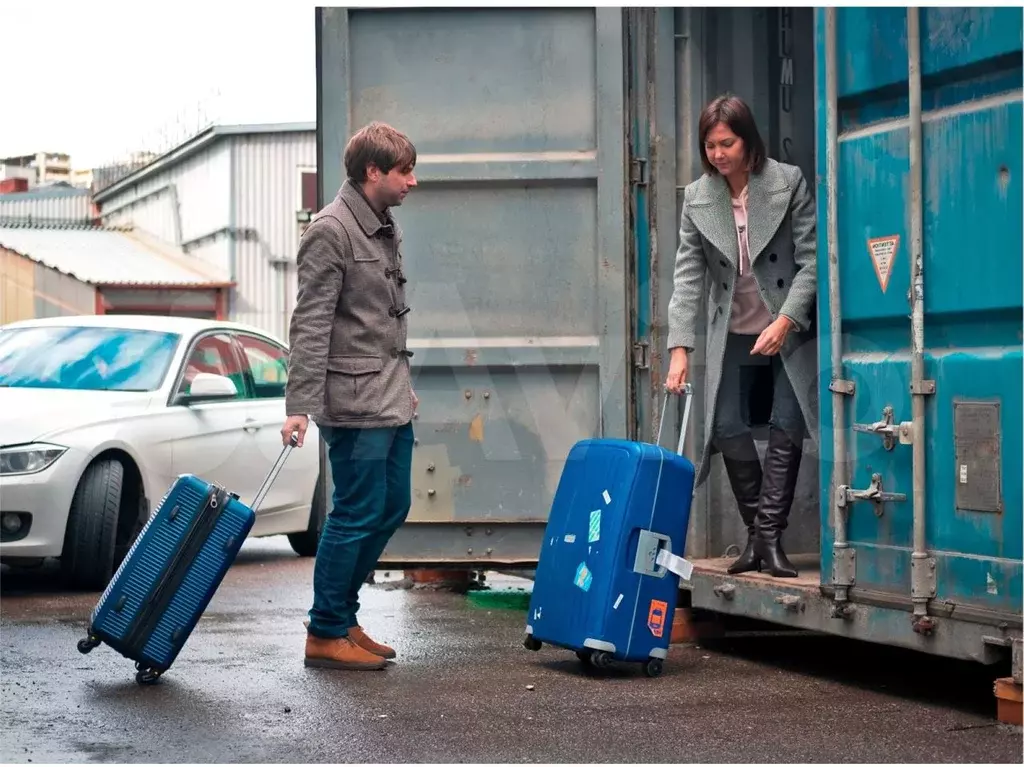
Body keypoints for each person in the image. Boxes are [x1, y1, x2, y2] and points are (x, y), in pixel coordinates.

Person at [281, 121, 419, 670]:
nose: (413, 181)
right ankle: (325, 630)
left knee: (393, 503)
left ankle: (343, 614)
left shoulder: (383, 223)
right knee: (357, 511)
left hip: (389, 397)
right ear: (372, 172)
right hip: (355, 403)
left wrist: (404, 389)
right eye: (404, 171)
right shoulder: (331, 231)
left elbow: (380, 322)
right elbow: (310, 322)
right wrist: (299, 405)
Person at [664, 94, 818, 578]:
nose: (717, 154)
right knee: (727, 425)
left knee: (786, 423)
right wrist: (679, 349)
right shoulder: (697, 197)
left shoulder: (787, 182)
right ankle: (758, 537)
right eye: (709, 146)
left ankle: (768, 541)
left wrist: (787, 320)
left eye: (726, 143)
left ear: (747, 140)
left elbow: (812, 262)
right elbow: (688, 277)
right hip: (735, 332)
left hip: (785, 328)